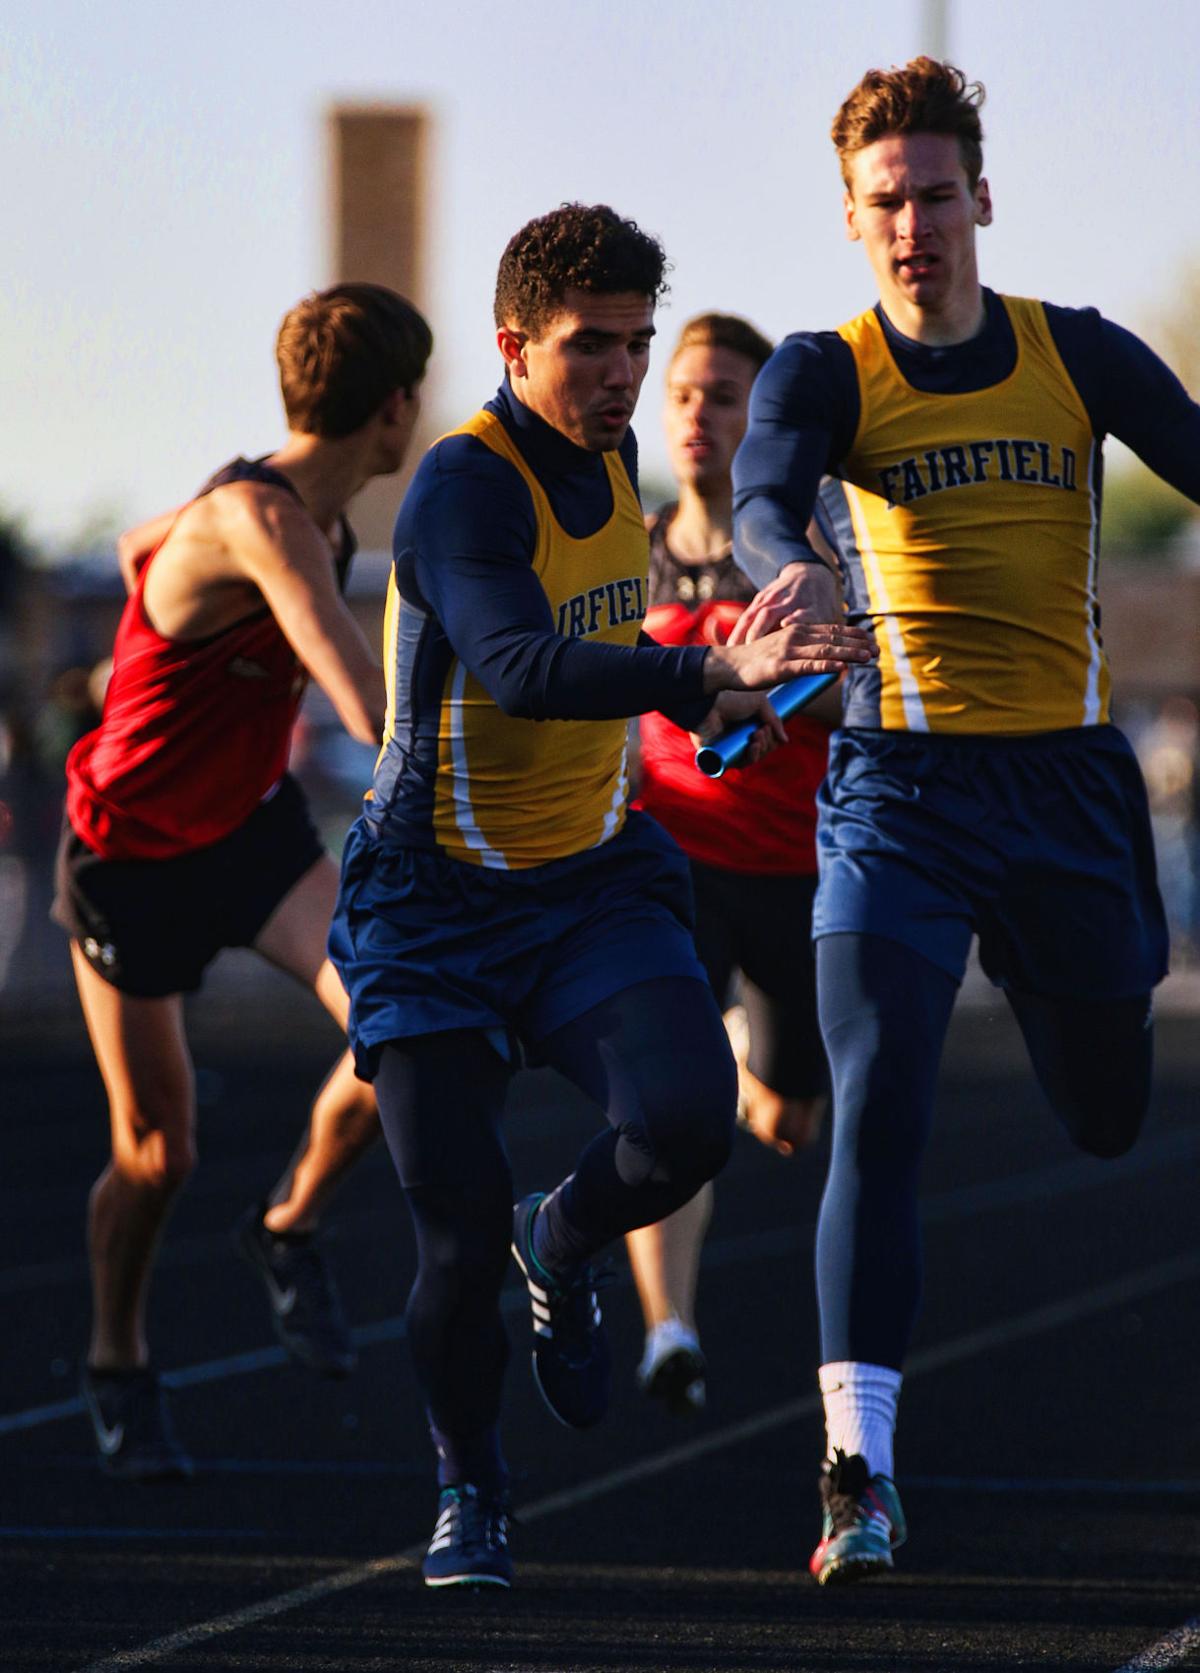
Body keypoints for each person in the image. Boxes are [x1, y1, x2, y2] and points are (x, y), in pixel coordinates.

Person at [328, 203, 876, 1590]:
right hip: (433, 901)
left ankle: (559, 1238)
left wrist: (733, 680)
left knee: (692, 1119)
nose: (622, 375)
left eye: (638, 344)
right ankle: (474, 1488)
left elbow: (596, 638)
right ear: (515, 344)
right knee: (447, 1243)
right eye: (592, 348)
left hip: (591, 879)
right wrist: (702, 676)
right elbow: (515, 661)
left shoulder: (615, 450)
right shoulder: (464, 483)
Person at [730, 56, 1200, 1585]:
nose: (914, 224)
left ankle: (1093, 1026)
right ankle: (855, 1472)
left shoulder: (1077, 355)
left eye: (937, 195)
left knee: (1108, 1107)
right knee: (883, 1101)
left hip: (1065, 785)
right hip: (904, 791)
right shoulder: (827, 366)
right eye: (886, 203)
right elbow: (763, 490)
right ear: (853, 219)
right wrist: (789, 562)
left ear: (981, 199)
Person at [53, 283, 432, 1481]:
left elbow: (128, 547)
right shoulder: (265, 524)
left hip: (251, 833)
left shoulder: (288, 517)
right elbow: (360, 692)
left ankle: (289, 1224)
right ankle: (118, 1356)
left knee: (399, 1033)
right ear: (395, 410)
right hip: (130, 855)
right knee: (159, 1154)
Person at [623, 313, 837, 1415]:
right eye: (686, 394)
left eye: (724, 395)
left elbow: (862, 691)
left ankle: (764, 1058)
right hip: (672, 863)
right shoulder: (630, 545)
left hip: (795, 871)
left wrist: (768, 691)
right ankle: (669, 1326)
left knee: (790, 1121)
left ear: (763, 417)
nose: (699, 414)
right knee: (670, 1102)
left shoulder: (797, 553)